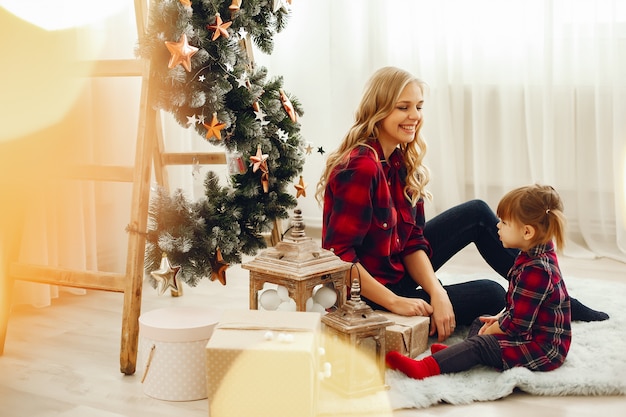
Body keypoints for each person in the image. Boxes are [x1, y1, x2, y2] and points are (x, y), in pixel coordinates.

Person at [315, 66, 608, 343]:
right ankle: (552, 298)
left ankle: (556, 296)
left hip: (395, 271)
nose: (414, 115)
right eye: (402, 107)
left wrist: (436, 291)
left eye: (418, 106)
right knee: (492, 294)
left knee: (477, 213)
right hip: (366, 294)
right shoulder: (360, 168)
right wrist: (396, 302)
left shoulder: (398, 162)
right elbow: (338, 259)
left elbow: (411, 242)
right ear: (377, 111)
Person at [386, 184, 572, 379]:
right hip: (528, 331)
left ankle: (426, 368)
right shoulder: (533, 252)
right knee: (480, 321)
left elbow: (517, 325)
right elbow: (518, 304)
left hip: (541, 349)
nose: (498, 226)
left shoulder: (537, 270)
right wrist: (497, 319)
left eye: (504, 223)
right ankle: (459, 353)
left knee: (482, 343)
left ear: (527, 232)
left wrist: (495, 328)